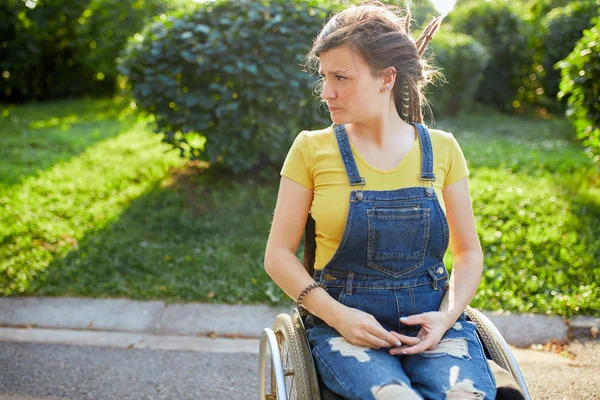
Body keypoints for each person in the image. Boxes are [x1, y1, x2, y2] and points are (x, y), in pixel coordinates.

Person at [264, 2, 497, 399]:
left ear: (386, 78)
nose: (327, 92)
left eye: (341, 77)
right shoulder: (310, 150)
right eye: (324, 77)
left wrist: (445, 318)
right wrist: (340, 317)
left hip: (433, 325)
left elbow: (469, 252)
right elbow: (278, 255)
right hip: (344, 327)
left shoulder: (442, 151)